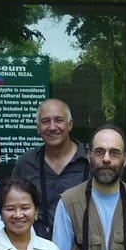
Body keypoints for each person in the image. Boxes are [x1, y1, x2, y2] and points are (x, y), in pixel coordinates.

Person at [11, 99, 91, 240]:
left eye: (59, 120)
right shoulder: (26, 163)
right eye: (45, 121)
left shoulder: (90, 161)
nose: (52, 127)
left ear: (70, 124)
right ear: (38, 127)